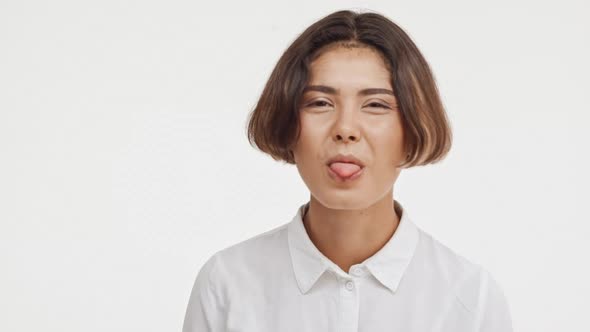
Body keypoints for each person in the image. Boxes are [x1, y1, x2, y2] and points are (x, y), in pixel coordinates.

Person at [182, 9, 513, 332]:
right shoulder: (226, 285)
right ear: (288, 125)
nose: (345, 128)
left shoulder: (470, 298)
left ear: (412, 130)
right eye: (320, 103)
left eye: (376, 105)